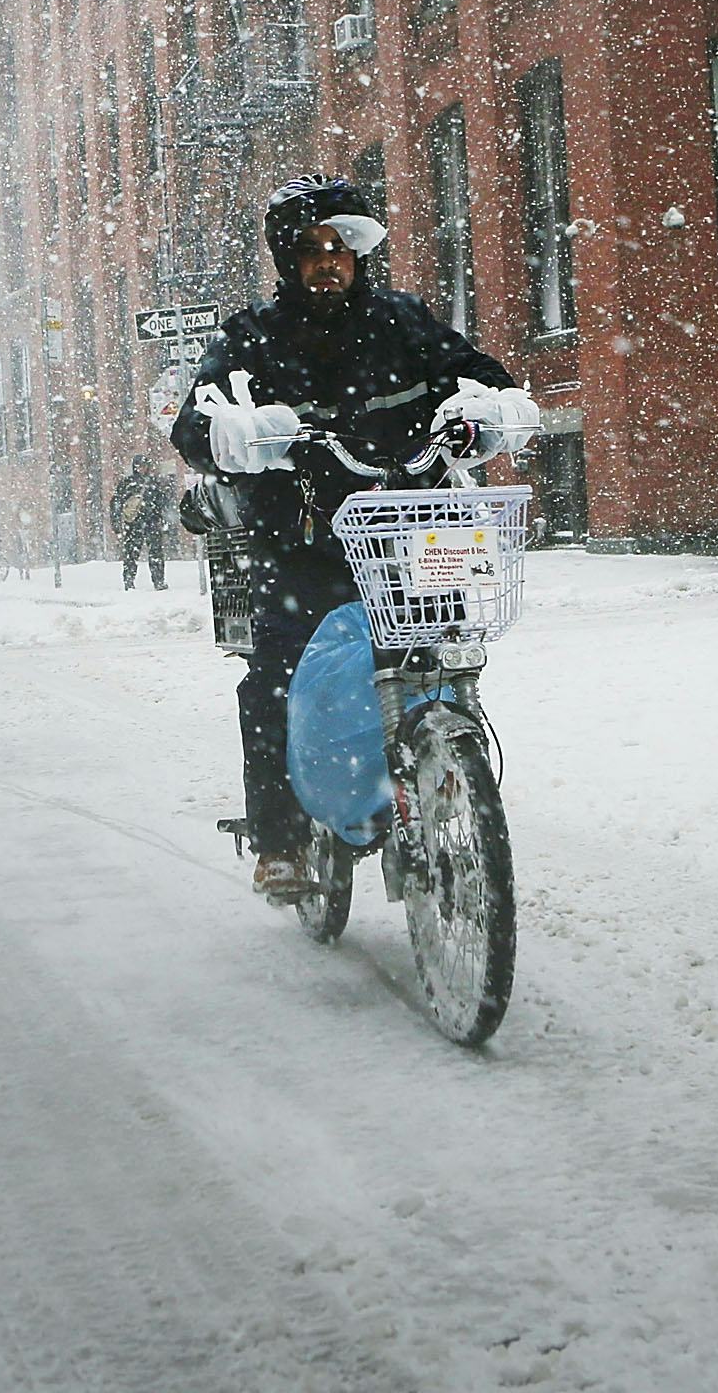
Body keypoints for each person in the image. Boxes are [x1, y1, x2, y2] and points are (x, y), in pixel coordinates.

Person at [171, 176, 539, 900]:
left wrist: (479, 410)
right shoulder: (252, 338)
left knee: (439, 659)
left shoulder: (404, 322)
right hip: (302, 541)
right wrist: (235, 433)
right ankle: (279, 838)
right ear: (287, 259)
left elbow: (482, 379)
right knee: (274, 676)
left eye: (341, 247)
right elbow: (197, 423)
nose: (328, 261)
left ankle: (438, 772)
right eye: (310, 250)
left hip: (412, 530)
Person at [111, 454, 176, 591]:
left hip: (148, 522)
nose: (143, 468)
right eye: (141, 465)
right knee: (134, 553)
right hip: (136, 523)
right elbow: (116, 502)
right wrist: (116, 521)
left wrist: (165, 518)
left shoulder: (149, 483)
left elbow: (162, 503)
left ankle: (157, 581)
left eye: (145, 465)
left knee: (152, 553)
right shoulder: (130, 483)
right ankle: (130, 581)